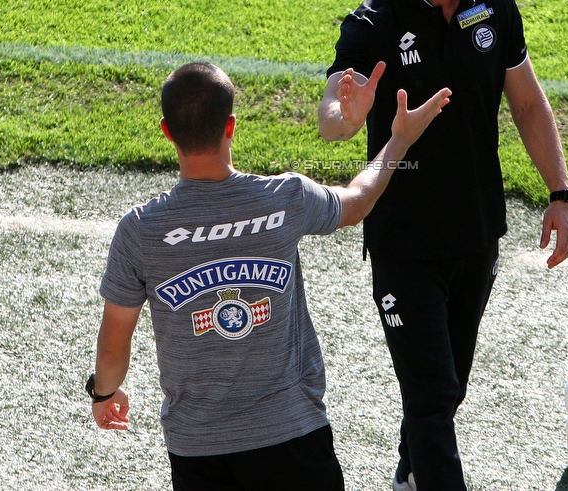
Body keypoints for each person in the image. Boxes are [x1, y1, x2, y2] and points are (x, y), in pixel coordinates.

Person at [318, 0, 568, 490]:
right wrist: (348, 115)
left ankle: (410, 477)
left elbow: (528, 103)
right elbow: (334, 111)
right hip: (403, 238)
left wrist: (562, 194)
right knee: (432, 393)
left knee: (447, 386)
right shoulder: (373, 23)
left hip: (475, 230)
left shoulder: (494, 7)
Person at [86, 61, 450, 491]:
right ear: (231, 126)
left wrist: (104, 394)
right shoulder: (286, 199)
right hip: (294, 435)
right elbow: (357, 201)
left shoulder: (140, 230)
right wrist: (399, 140)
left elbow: (113, 349)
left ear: (167, 132)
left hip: (198, 448)